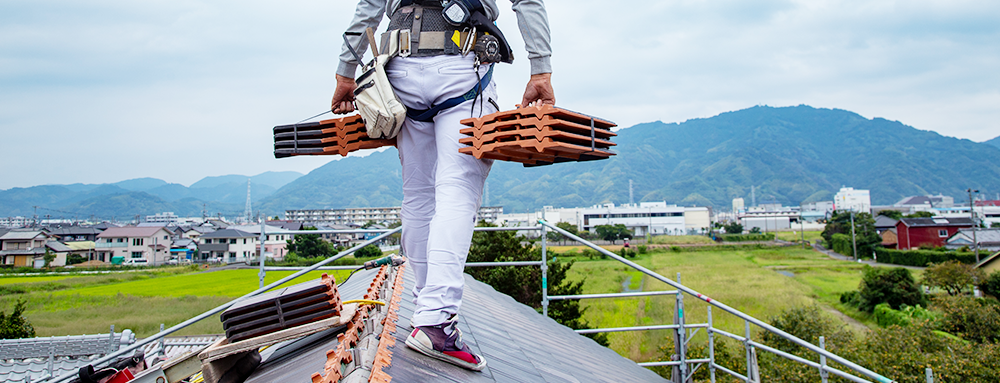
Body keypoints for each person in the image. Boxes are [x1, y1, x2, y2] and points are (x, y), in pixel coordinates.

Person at [331, 0, 554, 372]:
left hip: (398, 69)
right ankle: (435, 322)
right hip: (460, 63)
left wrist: (345, 73)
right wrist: (541, 69)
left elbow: (369, 7)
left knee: (418, 195)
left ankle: (427, 307)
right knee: (457, 189)